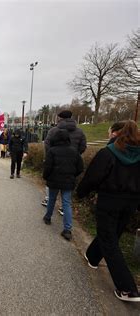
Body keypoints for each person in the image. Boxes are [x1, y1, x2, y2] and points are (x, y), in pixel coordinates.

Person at [76, 120, 140, 302]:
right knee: (112, 235)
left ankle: (127, 289)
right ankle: (93, 256)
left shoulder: (109, 153)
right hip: (130, 204)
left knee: (110, 241)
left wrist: (81, 192)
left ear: (115, 133)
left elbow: (93, 176)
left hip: (109, 201)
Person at [41, 110, 87, 214]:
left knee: (51, 181)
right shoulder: (79, 131)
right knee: (67, 185)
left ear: (60, 118)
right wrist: (75, 155)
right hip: (72, 163)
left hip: (55, 159)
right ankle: (63, 207)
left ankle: (48, 201)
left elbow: (47, 145)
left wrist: (51, 156)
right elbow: (83, 146)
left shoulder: (53, 131)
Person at [42, 129, 84, 241]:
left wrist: (46, 177)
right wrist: (72, 175)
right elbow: (80, 168)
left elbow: (47, 167)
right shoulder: (74, 151)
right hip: (68, 181)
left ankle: (48, 217)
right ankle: (67, 230)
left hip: (54, 180)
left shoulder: (52, 151)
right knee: (66, 203)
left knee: (52, 199)